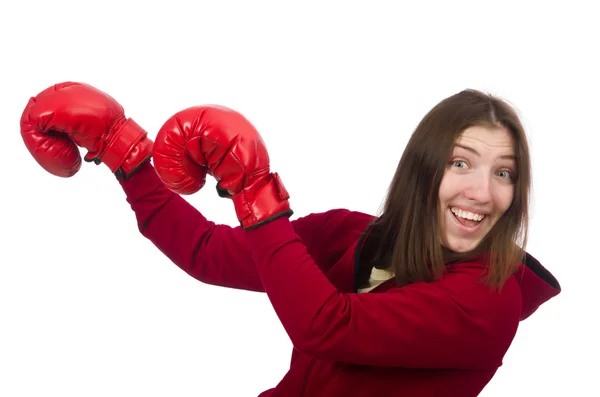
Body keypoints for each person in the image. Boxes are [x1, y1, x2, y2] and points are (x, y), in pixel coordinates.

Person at [20, 82, 561, 397]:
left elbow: (328, 326)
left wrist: (254, 190)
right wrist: (125, 153)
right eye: (460, 163)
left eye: (504, 173)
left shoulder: (487, 302)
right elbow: (207, 252)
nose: (482, 191)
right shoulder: (351, 235)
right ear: (423, 169)